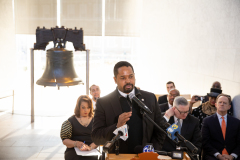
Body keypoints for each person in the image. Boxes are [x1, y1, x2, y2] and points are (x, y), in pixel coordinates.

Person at [92, 61, 166, 154]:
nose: (128, 81)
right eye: (123, 78)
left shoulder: (150, 98)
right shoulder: (104, 102)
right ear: (115, 80)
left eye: (131, 76)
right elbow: (97, 137)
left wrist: (152, 150)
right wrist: (116, 126)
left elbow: (160, 129)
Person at [202, 94, 240, 160]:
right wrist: (218, 155)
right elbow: (205, 142)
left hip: (232, 156)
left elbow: (239, 143)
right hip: (213, 156)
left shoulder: (237, 122)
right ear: (216, 105)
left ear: (229, 107)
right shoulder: (207, 121)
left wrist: (232, 156)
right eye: (220, 102)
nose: (222, 104)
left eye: (225, 103)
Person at [60, 95, 98, 160]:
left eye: (88, 107)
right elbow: (65, 140)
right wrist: (76, 143)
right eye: (83, 107)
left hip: (90, 151)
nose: (86, 110)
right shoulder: (70, 121)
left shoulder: (95, 121)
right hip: (73, 150)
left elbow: (98, 139)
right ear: (78, 107)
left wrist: (90, 147)